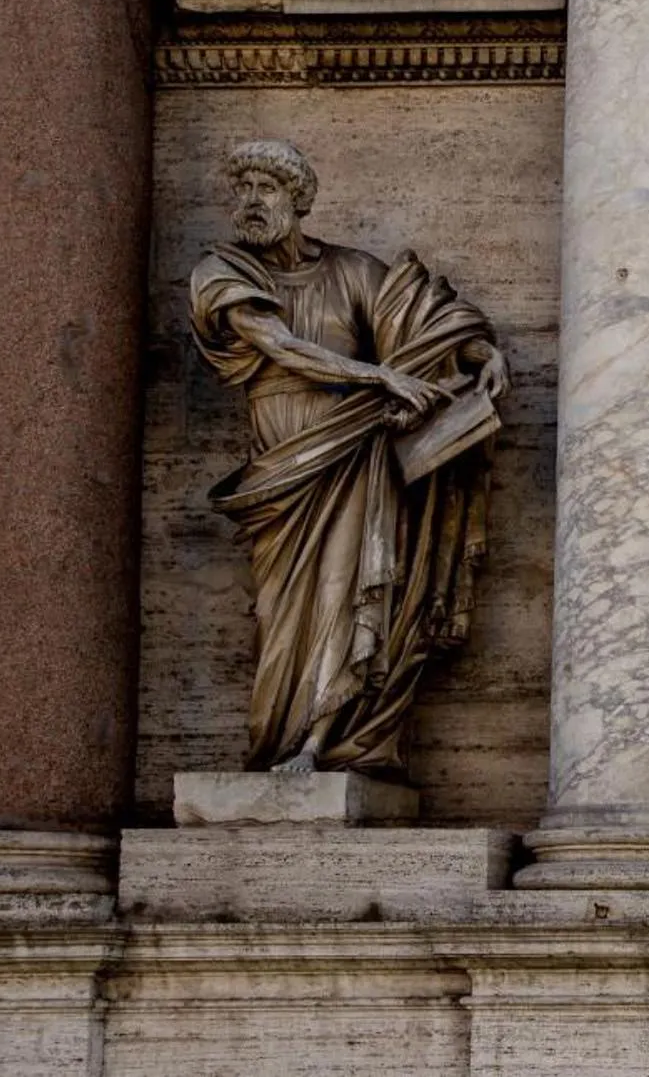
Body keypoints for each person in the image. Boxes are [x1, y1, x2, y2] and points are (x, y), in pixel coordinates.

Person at [189, 139, 507, 775]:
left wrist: (479, 355)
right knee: (278, 610)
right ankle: (279, 739)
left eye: (267, 188)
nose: (251, 201)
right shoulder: (221, 273)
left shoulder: (352, 271)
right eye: (243, 188)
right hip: (284, 463)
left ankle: (317, 746)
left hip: (356, 452)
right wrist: (380, 379)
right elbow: (282, 348)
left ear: (299, 200)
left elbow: (418, 323)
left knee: (347, 589)